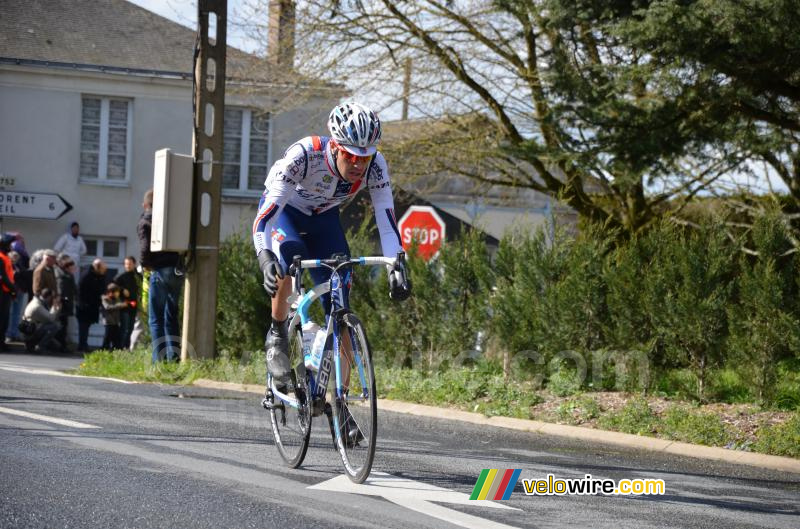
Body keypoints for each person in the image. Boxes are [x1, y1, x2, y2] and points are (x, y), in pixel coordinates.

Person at [252, 102, 411, 388]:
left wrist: (396, 265)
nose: (359, 166)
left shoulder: (376, 166)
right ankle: (277, 334)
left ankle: (342, 404)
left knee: (340, 306)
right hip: (285, 214)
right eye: (351, 157)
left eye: (365, 158)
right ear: (336, 147)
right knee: (288, 262)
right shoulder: (304, 156)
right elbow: (265, 218)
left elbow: (387, 220)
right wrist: (264, 257)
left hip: (324, 221)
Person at [138, 189, 184, 363]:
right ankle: (174, 356)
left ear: (145, 205)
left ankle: (159, 359)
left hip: (159, 271)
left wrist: (145, 265)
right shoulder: (169, 220)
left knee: (156, 318)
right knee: (171, 316)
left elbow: (144, 248)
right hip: (177, 270)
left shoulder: (145, 221)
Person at [77, 258, 108, 352]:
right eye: (103, 269)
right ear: (97, 268)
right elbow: (81, 291)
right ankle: (82, 346)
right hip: (85, 307)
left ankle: (83, 345)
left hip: (91, 306)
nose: (105, 271)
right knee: (83, 327)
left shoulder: (98, 276)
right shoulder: (87, 276)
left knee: (86, 326)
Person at [21, 288, 61, 354]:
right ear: (48, 297)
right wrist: (55, 307)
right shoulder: (38, 306)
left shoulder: (35, 302)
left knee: (57, 345)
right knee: (54, 326)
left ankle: (32, 344)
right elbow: (51, 319)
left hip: (29, 330)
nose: (51, 299)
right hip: (31, 333)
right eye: (51, 297)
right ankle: (40, 347)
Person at [114, 256, 140, 349]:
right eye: (126, 264)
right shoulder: (121, 277)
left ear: (134, 264)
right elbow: (111, 287)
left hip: (135, 305)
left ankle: (128, 347)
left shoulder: (138, 276)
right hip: (124, 306)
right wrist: (122, 290)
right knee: (125, 328)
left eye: (129, 264)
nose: (128, 266)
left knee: (131, 329)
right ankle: (121, 347)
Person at [55, 253, 78, 351]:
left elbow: (74, 289)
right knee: (61, 325)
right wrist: (64, 300)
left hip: (67, 303)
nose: (74, 269)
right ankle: (60, 345)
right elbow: (61, 290)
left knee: (64, 325)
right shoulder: (62, 276)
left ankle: (62, 344)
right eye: (72, 267)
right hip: (63, 304)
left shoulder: (69, 276)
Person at [0, 235, 16, 351]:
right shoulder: (1, 257)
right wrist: (13, 288)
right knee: (1, 319)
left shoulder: (6, 257)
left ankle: (2, 342)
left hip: (6, 292)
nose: (11, 246)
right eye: (9, 244)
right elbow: (3, 277)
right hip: (2, 292)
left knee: (4, 319)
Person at [100, 283, 127, 350]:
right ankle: (104, 349)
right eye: (116, 292)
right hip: (109, 322)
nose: (118, 294)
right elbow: (108, 307)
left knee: (117, 338)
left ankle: (117, 349)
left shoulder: (117, 299)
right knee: (107, 338)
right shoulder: (105, 299)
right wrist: (120, 305)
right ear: (111, 292)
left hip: (116, 322)